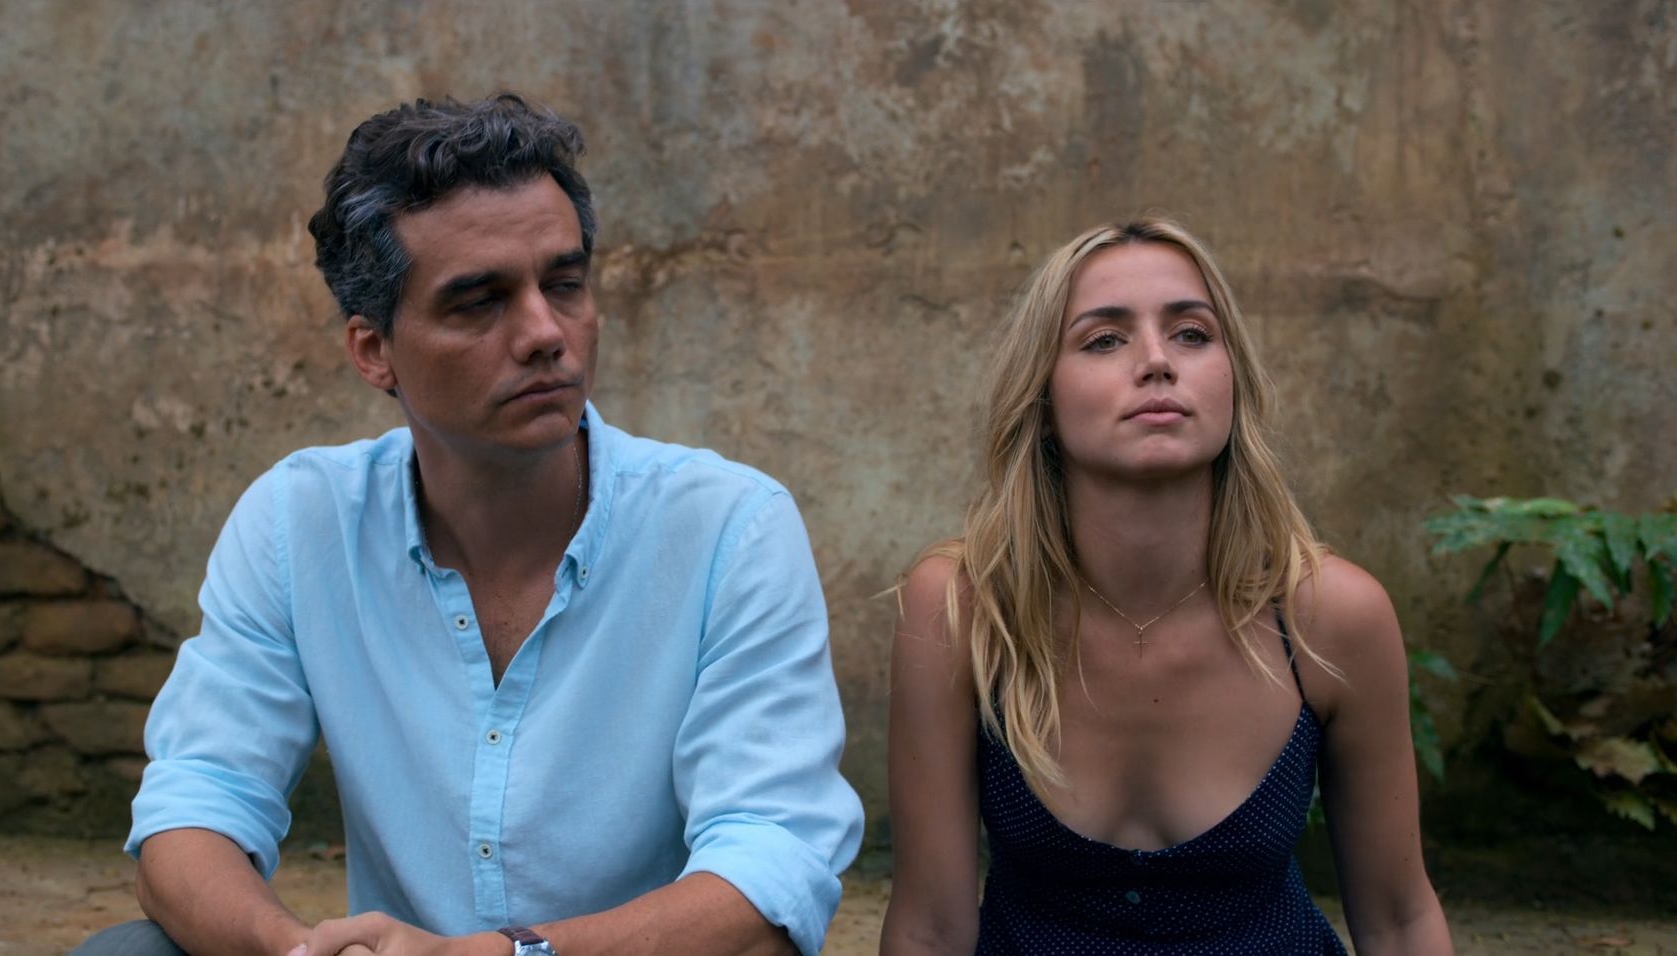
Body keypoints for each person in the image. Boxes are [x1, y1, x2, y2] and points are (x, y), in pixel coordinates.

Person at [75, 93, 862, 956]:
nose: (544, 333)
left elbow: (771, 867)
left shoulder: (727, 530)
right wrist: (291, 950)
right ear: (374, 351)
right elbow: (196, 806)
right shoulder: (301, 523)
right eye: (478, 303)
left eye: (564, 284)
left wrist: (497, 955)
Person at [879, 219, 1452, 954]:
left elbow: (1400, 920)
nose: (1156, 362)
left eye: (1191, 334)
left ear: (1233, 382)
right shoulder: (964, 610)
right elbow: (929, 929)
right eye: (1103, 340)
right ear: (1042, 401)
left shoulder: (1329, 615)